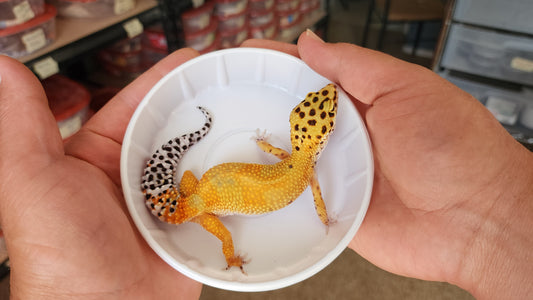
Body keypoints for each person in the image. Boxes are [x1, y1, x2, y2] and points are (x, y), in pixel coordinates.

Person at [0, 30, 531, 299]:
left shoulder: (281, 167)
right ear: (317, 140)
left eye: (312, 114)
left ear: (311, 135)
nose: (318, 109)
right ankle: (211, 224)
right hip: (203, 197)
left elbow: (290, 167)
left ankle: (188, 163)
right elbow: (316, 194)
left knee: (194, 193)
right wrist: (316, 219)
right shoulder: (304, 172)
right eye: (315, 112)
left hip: (200, 191)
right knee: (220, 230)